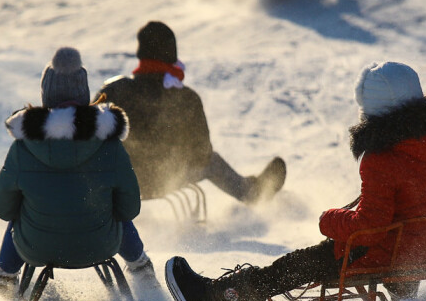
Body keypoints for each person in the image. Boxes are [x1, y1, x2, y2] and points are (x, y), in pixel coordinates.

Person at [164, 62, 426, 301]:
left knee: (289, 268)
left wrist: (329, 219)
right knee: (334, 251)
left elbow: (369, 227)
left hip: (377, 251)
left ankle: (207, 298)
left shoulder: (382, 158)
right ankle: (405, 292)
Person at [0, 47, 156, 298]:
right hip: (100, 244)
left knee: (19, 210)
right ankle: (142, 271)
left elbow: (1, 208)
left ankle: (5, 279)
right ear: (83, 92)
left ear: (46, 94)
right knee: (116, 210)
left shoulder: (23, 146)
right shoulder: (109, 143)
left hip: (36, 248)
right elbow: (130, 207)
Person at [98, 21, 286, 205]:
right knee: (211, 161)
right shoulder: (185, 98)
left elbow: (87, 139)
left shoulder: (114, 90)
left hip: (122, 183)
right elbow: (201, 153)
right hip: (164, 182)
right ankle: (251, 193)